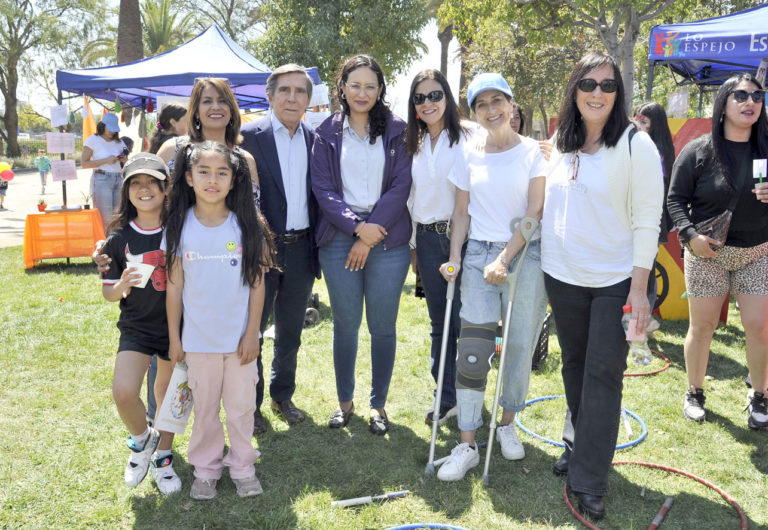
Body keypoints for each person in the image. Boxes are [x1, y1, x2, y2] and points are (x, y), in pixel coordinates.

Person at [541, 52, 663, 520]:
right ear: (574, 89)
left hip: (617, 280)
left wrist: (638, 289)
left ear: (619, 93)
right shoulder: (562, 141)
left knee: (602, 375)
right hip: (563, 275)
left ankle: (590, 479)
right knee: (573, 367)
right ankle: (579, 446)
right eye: (588, 83)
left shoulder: (636, 145)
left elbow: (648, 220)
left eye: (608, 86)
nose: (597, 93)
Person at [434, 73, 548, 482]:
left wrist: (506, 258)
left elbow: (534, 212)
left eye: (497, 100)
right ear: (473, 112)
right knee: (474, 347)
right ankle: (466, 442)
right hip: (479, 253)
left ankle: (507, 423)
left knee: (519, 343)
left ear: (511, 104)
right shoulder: (468, 154)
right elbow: (461, 213)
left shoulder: (534, 151)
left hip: (524, 254)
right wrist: (454, 257)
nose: (491, 109)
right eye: (481, 104)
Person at [164, 141, 273, 500]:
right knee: (206, 410)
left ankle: (243, 466)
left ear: (233, 179)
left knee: (241, 409)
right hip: (198, 343)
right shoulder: (179, 227)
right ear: (189, 178)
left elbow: (257, 284)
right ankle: (206, 470)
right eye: (204, 172)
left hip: (240, 342)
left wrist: (253, 333)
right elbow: (175, 287)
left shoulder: (246, 226)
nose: (213, 179)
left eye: (222, 172)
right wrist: (175, 339)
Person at [311, 54, 412, 436]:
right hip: (339, 239)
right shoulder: (326, 132)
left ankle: (378, 405)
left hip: (387, 240)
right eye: (355, 85)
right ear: (342, 88)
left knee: (383, 326)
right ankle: (345, 403)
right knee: (345, 325)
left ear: (381, 90)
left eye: (371, 86)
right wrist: (357, 229)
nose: (362, 92)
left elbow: (402, 185)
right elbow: (323, 189)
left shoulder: (399, 130)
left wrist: (370, 234)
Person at [667, 74, 768, 429]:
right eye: (740, 95)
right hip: (706, 254)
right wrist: (690, 235)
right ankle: (694, 391)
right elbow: (675, 200)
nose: (749, 101)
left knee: (759, 327)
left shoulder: (766, 149)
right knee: (704, 325)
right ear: (723, 103)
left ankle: (760, 396)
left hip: (757, 251)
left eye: (757, 95)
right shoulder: (699, 149)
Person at [240, 64, 319, 434]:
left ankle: (282, 394)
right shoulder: (246, 138)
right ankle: (250, 406)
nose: (292, 97)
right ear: (269, 96)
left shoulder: (317, 139)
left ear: (308, 99)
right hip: (260, 252)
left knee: (290, 330)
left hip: (302, 250)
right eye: (284, 90)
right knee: (252, 329)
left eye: (300, 91)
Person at [100, 153, 182, 495]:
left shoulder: (181, 229)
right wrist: (121, 286)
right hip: (136, 326)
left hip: (176, 327)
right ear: (126, 191)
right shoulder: (118, 238)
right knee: (124, 392)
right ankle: (141, 441)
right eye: (136, 183)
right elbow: (108, 293)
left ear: (166, 189)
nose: (144, 189)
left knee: (166, 395)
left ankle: (164, 459)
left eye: (152, 182)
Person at [405, 68, 470, 426]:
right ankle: (445, 397)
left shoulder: (468, 138)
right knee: (438, 323)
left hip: (463, 238)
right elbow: (414, 198)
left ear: (447, 97)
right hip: (428, 240)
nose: (428, 103)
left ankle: (467, 396)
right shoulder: (413, 145)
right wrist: (415, 246)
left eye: (434, 95)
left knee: (464, 321)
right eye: (420, 97)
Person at [634, 101, 675, 243]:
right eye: (636, 121)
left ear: (656, 125)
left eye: (644, 122)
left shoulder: (655, 151)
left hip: (647, 220)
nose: (638, 126)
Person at [82, 113, 128, 232]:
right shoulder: (93, 140)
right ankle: (106, 247)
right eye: (110, 129)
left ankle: (116, 245)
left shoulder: (119, 142)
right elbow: (84, 163)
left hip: (119, 178)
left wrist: (124, 159)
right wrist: (106, 160)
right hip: (102, 179)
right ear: (103, 126)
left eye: (114, 129)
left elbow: (126, 160)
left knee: (119, 216)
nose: (112, 132)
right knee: (105, 219)